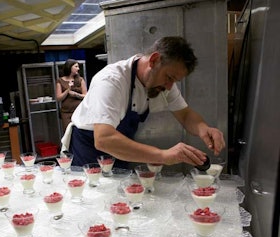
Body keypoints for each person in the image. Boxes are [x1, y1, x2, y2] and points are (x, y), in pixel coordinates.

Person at [62, 36, 225, 168]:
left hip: (119, 149)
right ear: (154, 60)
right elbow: (103, 138)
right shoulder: (111, 80)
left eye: (174, 81)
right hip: (88, 150)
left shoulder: (163, 84)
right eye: (169, 78)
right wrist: (163, 156)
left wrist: (204, 128)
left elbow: (185, 114)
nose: (169, 87)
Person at [55, 59, 88, 132]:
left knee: (80, 131)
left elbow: (86, 96)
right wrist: (67, 90)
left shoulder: (80, 80)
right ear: (70, 67)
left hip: (79, 111)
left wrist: (76, 95)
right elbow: (58, 98)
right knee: (68, 132)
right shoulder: (60, 81)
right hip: (66, 113)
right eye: (76, 66)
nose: (78, 69)